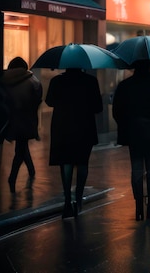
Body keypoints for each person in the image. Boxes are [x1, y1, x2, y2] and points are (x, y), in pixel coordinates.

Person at [113, 61, 150, 221]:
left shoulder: (125, 85)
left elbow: (117, 110)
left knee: (136, 167)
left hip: (133, 132)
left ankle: (138, 206)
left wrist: (125, 125)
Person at [46, 67, 103, 218]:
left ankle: (67, 201)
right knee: (82, 163)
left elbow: (49, 101)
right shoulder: (90, 81)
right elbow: (98, 107)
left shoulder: (57, 81)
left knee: (66, 163)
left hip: (62, 127)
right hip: (84, 127)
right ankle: (78, 201)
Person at [2, 57, 42, 193]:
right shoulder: (33, 81)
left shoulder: (3, 81)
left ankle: (31, 171)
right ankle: (12, 177)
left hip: (8, 120)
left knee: (21, 145)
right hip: (26, 119)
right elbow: (37, 101)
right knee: (21, 148)